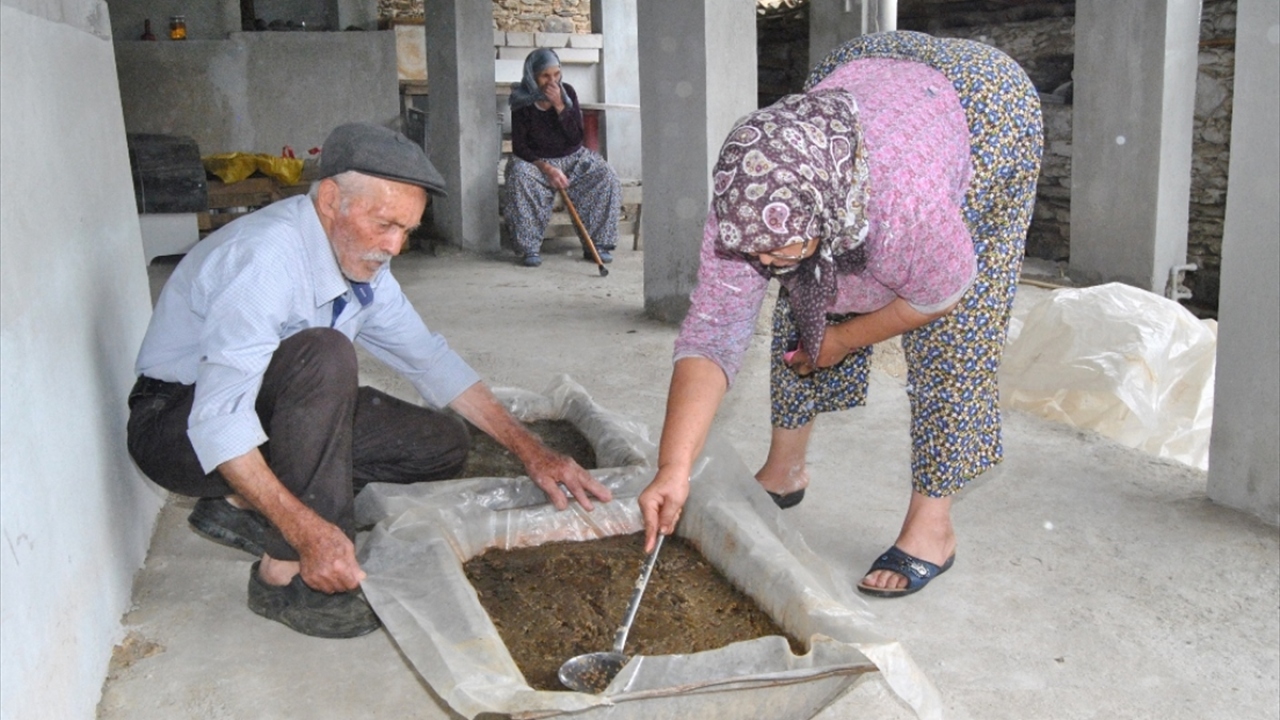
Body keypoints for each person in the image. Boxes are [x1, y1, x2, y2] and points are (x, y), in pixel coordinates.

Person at [127, 122, 613, 638]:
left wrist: (532, 450)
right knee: (324, 354)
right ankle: (284, 574)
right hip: (177, 427)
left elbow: (431, 361)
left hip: (265, 414)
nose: (395, 247)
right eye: (385, 225)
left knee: (442, 443)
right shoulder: (264, 260)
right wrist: (309, 532)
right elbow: (218, 421)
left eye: (407, 230)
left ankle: (243, 504)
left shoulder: (363, 266)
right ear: (330, 200)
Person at [637, 31, 1043, 598]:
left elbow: (940, 295)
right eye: (755, 253)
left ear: (830, 210)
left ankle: (932, 527)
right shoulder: (750, 196)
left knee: (955, 335)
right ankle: (785, 471)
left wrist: (847, 338)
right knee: (801, 288)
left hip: (984, 105)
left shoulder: (907, 211)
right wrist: (673, 468)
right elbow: (713, 332)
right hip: (864, 67)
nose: (761, 264)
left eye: (774, 252)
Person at [505, 48, 622, 268]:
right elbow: (520, 147)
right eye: (545, 76)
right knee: (519, 176)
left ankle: (597, 244)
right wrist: (547, 168)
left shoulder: (567, 93)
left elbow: (576, 137)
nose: (552, 81)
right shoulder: (522, 101)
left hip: (573, 158)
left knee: (605, 175)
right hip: (537, 163)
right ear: (532, 76)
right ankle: (529, 247)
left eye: (556, 74)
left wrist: (560, 106)